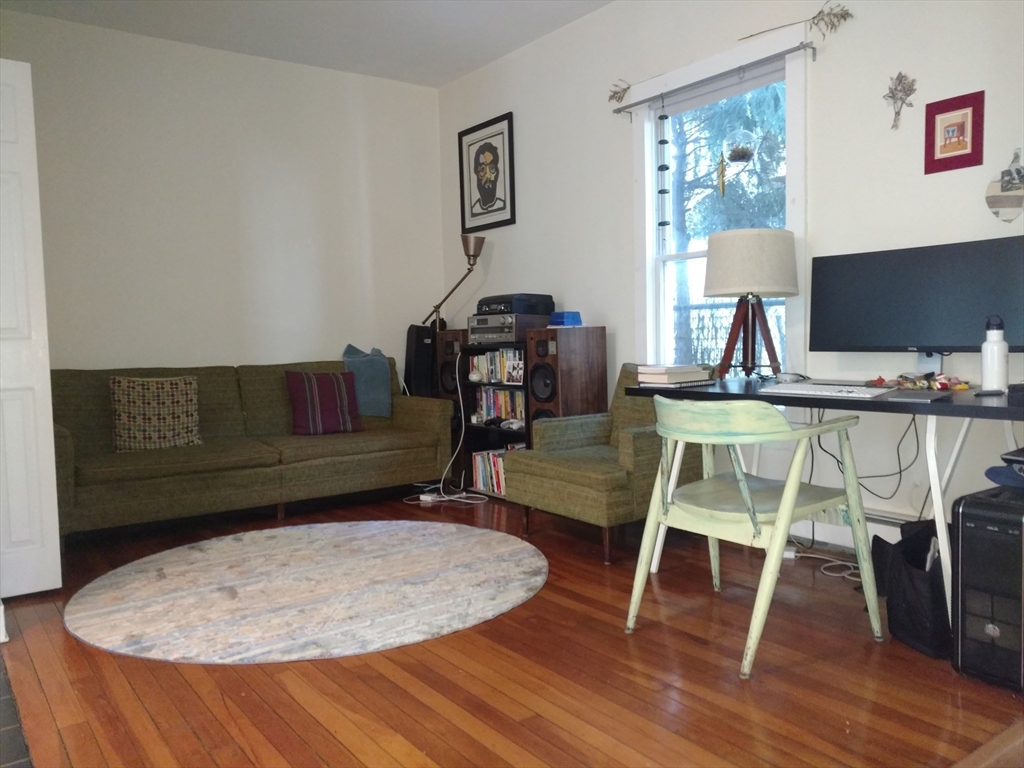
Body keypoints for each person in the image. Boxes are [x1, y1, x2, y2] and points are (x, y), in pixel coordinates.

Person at [470, 141, 505, 214]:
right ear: (477, 173)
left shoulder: (502, 205)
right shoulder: (474, 210)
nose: (488, 175)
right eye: (482, 169)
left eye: (492, 169)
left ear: (497, 173)